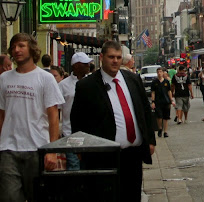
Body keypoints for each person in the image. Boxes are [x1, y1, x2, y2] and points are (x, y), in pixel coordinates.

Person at [71, 40, 156, 202]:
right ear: (102, 57)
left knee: (132, 195)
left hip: (133, 154)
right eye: (111, 57)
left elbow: (144, 110)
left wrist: (150, 139)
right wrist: (80, 149)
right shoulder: (87, 86)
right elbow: (77, 118)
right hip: (104, 156)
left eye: (118, 57)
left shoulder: (133, 79)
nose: (115, 61)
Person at [0, 33, 64, 201]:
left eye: (21, 46)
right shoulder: (4, 79)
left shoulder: (46, 78)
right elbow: (1, 114)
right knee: (9, 197)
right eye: (13, 47)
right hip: (8, 150)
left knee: (38, 196)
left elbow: (53, 117)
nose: (17, 50)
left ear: (32, 49)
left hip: (36, 148)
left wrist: (52, 151)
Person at [58, 52, 93, 171]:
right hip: (70, 133)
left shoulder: (93, 82)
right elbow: (57, 109)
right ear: (77, 66)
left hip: (90, 133)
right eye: (85, 64)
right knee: (74, 166)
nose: (89, 65)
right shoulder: (63, 85)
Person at [151, 67, 174, 137]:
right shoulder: (154, 82)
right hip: (158, 101)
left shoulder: (166, 82)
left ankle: (165, 131)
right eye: (158, 72)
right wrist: (153, 101)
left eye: (160, 72)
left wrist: (171, 100)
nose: (159, 73)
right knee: (159, 116)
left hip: (166, 101)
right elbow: (153, 92)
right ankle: (160, 128)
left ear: (163, 72)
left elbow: (169, 91)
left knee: (166, 117)